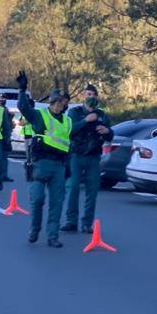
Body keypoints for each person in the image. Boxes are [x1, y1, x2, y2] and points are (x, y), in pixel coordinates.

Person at [17, 71, 72, 248]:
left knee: (57, 203)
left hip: (59, 167)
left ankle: (52, 236)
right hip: (40, 164)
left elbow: (71, 144)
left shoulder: (68, 122)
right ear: (52, 102)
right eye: (58, 102)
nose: (60, 106)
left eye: (63, 103)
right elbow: (23, 108)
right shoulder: (40, 115)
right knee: (38, 199)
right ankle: (34, 230)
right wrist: (22, 89)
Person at [62, 84, 112, 233]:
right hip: (76, 155)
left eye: (93, 94)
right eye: (88, 94)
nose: (90, 97)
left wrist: (107, 130)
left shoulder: (102, 114)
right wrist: (86, 120)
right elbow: (69, 131)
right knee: (73, 187)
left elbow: (110, 135)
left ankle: (87, 223)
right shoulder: (75, 112)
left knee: (92, 190)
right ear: (84, 96)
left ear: (97, 97)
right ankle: (71, 221)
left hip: (94, 157)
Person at [0, 95, 14, 183]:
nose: (3, 100)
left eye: (4, 98)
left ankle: (4, 175)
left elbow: (8, 124)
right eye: (1, 98)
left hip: (6, 136)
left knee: (4, 157)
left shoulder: (6, 109)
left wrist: (11, 118)